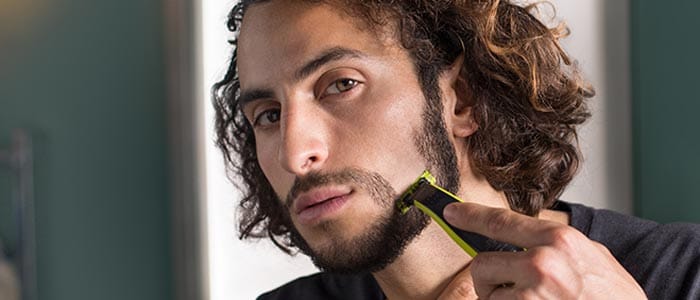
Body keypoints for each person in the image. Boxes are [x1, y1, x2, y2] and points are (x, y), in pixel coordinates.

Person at [213, 0, 700, 299]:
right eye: (269, 115)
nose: (295, 155)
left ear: (461, 97)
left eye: (341, 85)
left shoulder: (683, 275)